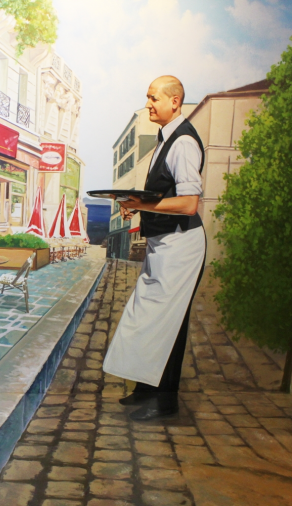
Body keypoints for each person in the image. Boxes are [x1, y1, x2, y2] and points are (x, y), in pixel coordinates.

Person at [103, 76, 207, 421]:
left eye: (153, 98)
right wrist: (135, 206)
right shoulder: (166, 140)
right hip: (164, 244)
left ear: (174, 102)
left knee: (168, 323)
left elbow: (189, 204)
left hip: (182, 245)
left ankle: (164, 402)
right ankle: (146, 390)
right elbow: (164, 195)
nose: (148, 104)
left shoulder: (184, 142)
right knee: (146, 318)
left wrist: (143, 205)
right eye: (147, 98)